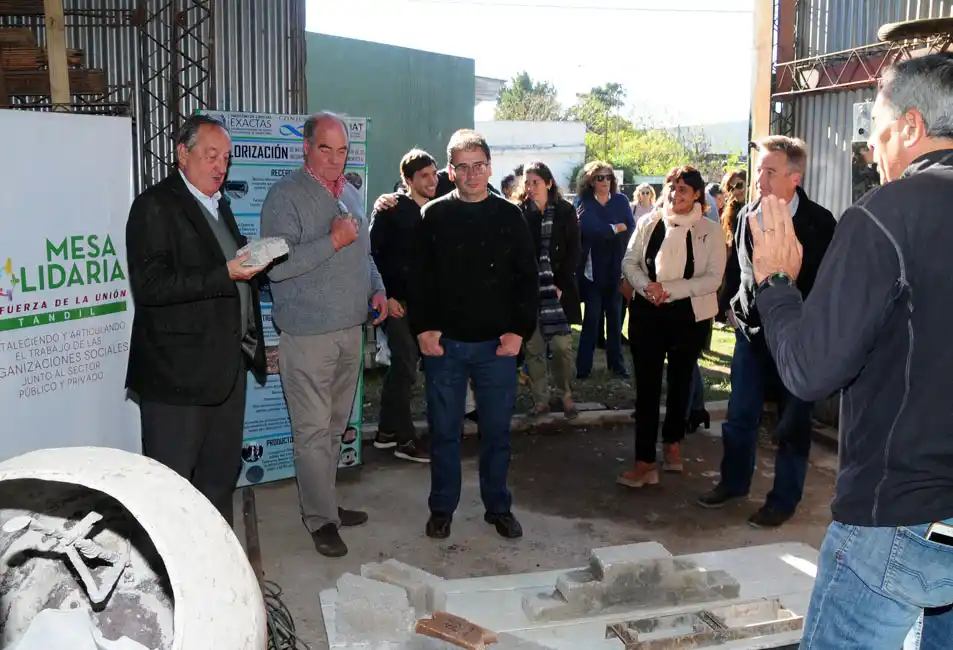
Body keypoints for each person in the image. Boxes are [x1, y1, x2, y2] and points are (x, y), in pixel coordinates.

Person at [751, 53, 953, 650]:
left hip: (900, 517)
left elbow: (810, 369)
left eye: (876, 128)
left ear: (911, 127)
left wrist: (775, 282)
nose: (870, 147)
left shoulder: (890, 212)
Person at [126, 114, 267, 526]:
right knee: (170, 489)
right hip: (178, 377)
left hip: (226, 368)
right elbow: (151, 285)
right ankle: (170, 564)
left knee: (219, 478)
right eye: (211, 155)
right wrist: (225, 272)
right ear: (182, 154)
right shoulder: (155, 205)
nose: (221, 166)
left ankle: (216, 559)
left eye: (226, 158)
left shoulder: (218, 204)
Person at [260, 111, 387, 558]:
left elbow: (364, 254)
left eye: (342, 150)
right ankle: (320, 520)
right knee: (313, 433)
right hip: (308, 336)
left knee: (334, 429)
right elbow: (276, 267)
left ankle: (325, 504)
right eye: (325, 149)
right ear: (306, 148)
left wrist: (377, 288)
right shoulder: (285, 196)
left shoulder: (349, 192)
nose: (335, 159)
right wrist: (332, 241)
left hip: (350, 330)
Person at [697, 136, 836, 529]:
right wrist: (732, 305)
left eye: (770, 171)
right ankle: (733, 483)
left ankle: (783, 501)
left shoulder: (821, 222)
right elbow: (739, 269)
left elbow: (827, 283)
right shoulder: (747, 213)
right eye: (759, 170)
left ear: (795, 178)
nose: (760, 179)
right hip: (752, 336)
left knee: (792, 425)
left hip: (796, 340)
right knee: (739, 417)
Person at [408, 129, 538, 541]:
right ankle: (441, 508)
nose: (471, 174)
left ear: (490, 167)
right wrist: (422, 330)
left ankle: (498, 507)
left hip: (497, 347)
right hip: (445, 346)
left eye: (478, 165)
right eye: (462, 167)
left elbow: (527, 280)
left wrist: (518, 332)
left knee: (496, 433)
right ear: (450, 172)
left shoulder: (510, 216)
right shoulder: (434, 215)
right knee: (444, 432)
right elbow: (418, 280)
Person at [619, 166, 726, 487]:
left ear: (697, 195)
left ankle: (673, 442)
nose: (675, 194)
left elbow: (713, 277)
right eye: (671, 187)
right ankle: (644, 462)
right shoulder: (649, 222)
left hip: (688, 316)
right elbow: (629, 261)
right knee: (647, 389)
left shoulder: (709, 230)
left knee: (681, 383)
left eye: (683, 189)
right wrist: (646, 287)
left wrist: (669, 290)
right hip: (647, 312)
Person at [370, 149, 439, 462]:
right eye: (424, 176)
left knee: (405, 366)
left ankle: (386, 432)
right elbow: (372, 255)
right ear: (408, 180)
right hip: (396, 303)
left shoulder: (440, 208)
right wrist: (386, 295)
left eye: (434, 174)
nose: (432, 180)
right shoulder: (391, 209)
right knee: (406, 363)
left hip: (427, 304)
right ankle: (405, 440)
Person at [519, 161, 582, 419]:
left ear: (548, 183)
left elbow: (574, 251)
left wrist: (560, 284)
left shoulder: (565, 211)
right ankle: (540, 400)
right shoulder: (521, 212)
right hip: (530, 292)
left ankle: (564, 394)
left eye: (535, 182)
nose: (530, 187)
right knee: (533, 348)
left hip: (558, 292)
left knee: (561, 348)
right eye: (527, 182)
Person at [575, 161, 634, 379]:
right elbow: (589, 229)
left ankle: (617, 366)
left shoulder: (621, 200)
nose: (605, 181)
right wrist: (615, 227)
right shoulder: (584, 203)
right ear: (590, 181)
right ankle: (583, 368)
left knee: (615, 322)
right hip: (592, 274)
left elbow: (630, 227)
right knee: (591, 322)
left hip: (616, 272)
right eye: (600, 177)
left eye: (608, 177)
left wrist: (608, 229)